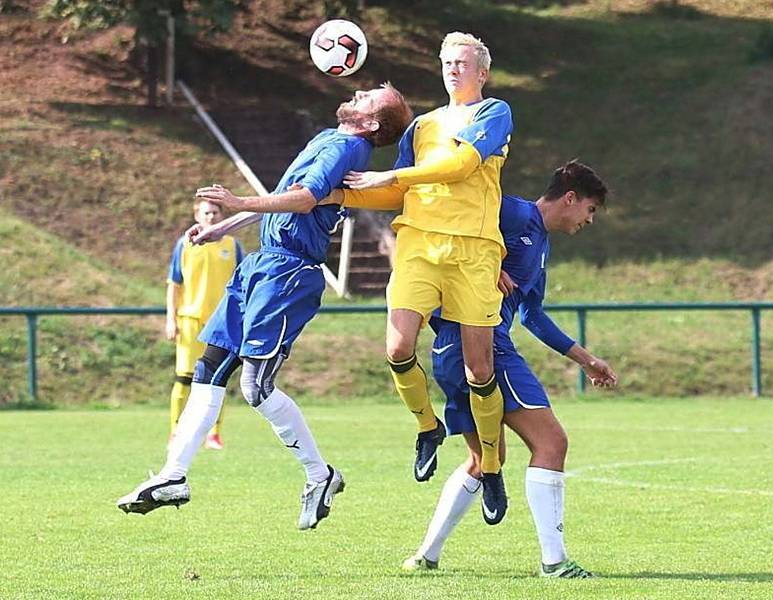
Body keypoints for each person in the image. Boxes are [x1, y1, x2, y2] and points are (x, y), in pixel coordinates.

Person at [117, 84, 414, 531]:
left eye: (369, 95)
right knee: (208, 368)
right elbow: (282, 195)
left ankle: (321, 475)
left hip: (289, 273)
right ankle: (172, 477)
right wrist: (227, 226)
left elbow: (306, 199)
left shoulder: (348, 147)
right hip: (261, 265)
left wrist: (238, 202)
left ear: (371, 123)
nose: (357, 90)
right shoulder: (325, 138)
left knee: (255, 387)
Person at [402, 162, 617, 578]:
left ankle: (426, 555)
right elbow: (451, 225)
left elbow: (533, 315)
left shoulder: (540, 247)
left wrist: (586, 359)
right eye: (589, 210)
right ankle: (554, 562)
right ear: (569, 198)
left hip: (453, 351)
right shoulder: (510, 212)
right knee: (551, 443)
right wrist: (483, 264)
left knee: (486, 458)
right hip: (485, 347)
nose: (588, 221)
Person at [342, 32, 514, 524]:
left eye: (462, 62)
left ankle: (493, 465)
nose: (452, 69)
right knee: (397, 348)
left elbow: (460, 166)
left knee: (478, 369)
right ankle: (426, 428)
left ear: (482, 72)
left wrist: (390, 177)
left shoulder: (495, 111)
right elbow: (395, 192)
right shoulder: (420, 125)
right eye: (446, 62)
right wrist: (335, 195)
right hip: (419, 244)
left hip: (475, 251)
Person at [166, 199, 244, 450]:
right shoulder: (185, 244)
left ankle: (214, 433)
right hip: (190, 319)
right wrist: (171, 318)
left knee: (217, 380)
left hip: (221, 322)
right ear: (197, 216)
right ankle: (176, 431)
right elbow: (174, 284)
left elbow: (241, 285)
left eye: (215, 212)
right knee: (184, 379)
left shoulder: (232, 246)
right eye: (206, 213)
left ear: (221, 215)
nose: (211, 217)